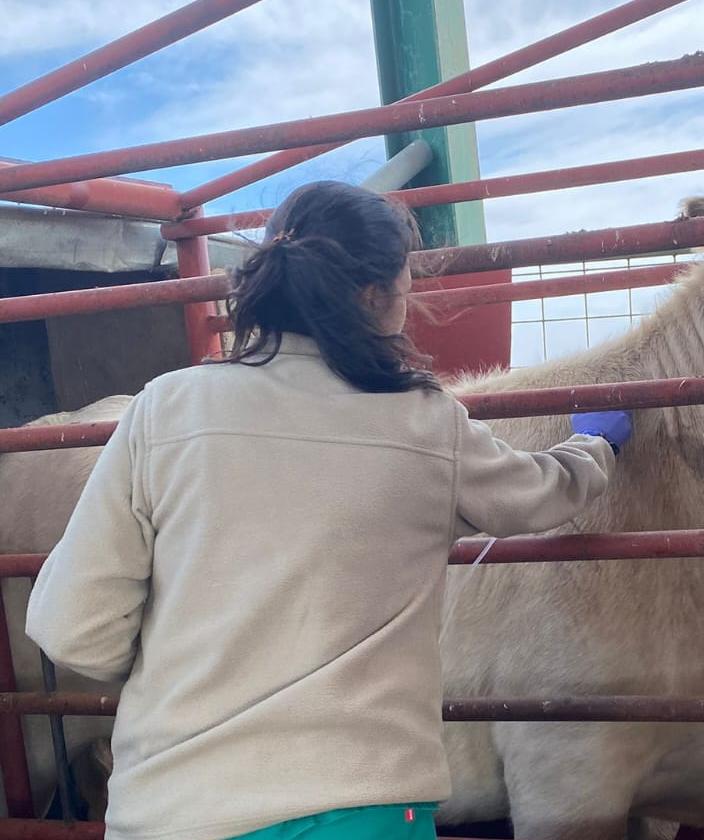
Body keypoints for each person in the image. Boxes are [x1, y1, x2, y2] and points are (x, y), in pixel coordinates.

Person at [26, 181, 632, 840]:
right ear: (377, 297)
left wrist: (189, 662)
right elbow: (539, 494)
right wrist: (593, 445)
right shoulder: (424, 423)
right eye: (406, 284)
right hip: (362, 808)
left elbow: (70, 629)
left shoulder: (167, 408)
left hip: (172, 813)